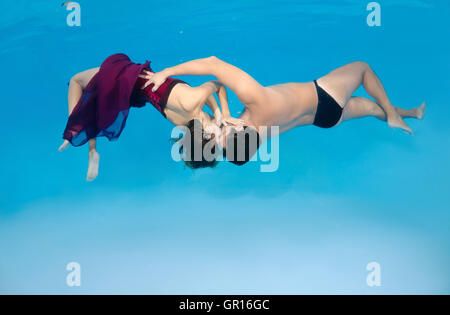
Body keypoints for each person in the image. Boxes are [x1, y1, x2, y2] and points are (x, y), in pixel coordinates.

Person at [140, 57, 426, 165]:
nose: (220, 126)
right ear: (237, 130)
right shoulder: (257, 102)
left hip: (325, 120)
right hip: (324, 94)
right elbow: (214, 65)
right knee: (363, 68)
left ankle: (410, 113)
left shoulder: (247, 145)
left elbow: (228, 142)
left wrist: (221, 119)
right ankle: (392, 114)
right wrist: (169, 72)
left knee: (369, 107)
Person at [59, 53, 242, 181]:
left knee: (76, 81)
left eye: (217, 137)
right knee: (94, 101)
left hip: (129, 77)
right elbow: (206, 96)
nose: (220, 132)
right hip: (135, 94)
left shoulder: (191, 102)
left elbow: (216, 84)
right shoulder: (184, 123)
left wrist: (224, 113)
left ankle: (74, 131)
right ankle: (89, 148)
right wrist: (219, 114)